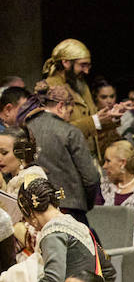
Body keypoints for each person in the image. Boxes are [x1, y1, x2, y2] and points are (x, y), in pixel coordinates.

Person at [11, 178, 111, 282]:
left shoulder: (52, 232)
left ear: (29, 212)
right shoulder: (77, 225)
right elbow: (108, 269)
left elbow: (53, 279)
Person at [23, 83, 101, 224]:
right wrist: (85, 203)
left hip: (33, 210)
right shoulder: (70, 132)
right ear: (60, 106)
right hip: (69, 208)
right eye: (70, 112)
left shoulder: (25, 129)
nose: (70, 118)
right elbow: (91, 177)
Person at [94, 139, 134, 228]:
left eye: (108, 161)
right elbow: (95, 218)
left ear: (122, 163)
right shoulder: (103, 186)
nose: (104, 166)